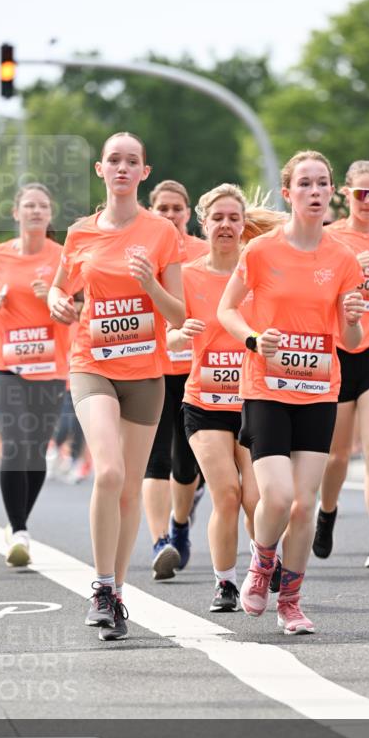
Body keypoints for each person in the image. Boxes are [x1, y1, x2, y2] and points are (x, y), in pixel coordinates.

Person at [218, 150, 365, 634]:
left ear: (331, 193)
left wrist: (351, 319)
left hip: (320, 390)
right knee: (276, 497)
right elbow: (228, 311)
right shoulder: (260, 252)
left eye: (323, 183)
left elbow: (352, 343)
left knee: (305, 503)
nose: (316, 192)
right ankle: (262, 563)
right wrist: (254, 340)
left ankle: (292, 603)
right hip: (266, 387)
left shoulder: (344, 259)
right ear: (288, 193)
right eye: (305, 184)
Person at [48, 132, 185, 640]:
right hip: (92, 364)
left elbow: (179, 312)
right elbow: (62, 288)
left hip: (146, 373)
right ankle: (101, 588)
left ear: (144, 172)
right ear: (99, 170)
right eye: (114, 161)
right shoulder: (81, 233)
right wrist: (56, 303)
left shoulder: (161, 233)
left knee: (130, 487)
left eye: (132, 161)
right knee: (108, 472)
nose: (123, 168)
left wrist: (150, 285)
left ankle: (118, 594)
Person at [167, 187, 279, 611]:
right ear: (204, 223)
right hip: (204, 401)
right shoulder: (190, 274)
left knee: (256, 498)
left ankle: (265, 564)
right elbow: (171, 333)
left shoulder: (259, 273)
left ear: (243, 224)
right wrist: (181, 335)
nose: (227, 225)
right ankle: (225, 583)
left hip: (255, 399)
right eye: (218, 218)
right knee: (227, 493)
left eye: (235, 217)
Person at [312, 160, 369, 569]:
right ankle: (327, 512)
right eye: (360, 193)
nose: (368, 201)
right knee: (335, 455)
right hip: (336, 351)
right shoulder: (329, 237)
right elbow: (311, 289)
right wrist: (351, 274)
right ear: (345, 195)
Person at [0, 184, 69, 565]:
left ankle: (18, 523)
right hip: (3, 364)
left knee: (36, 449)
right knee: (15, 439)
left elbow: (78, 306)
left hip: (50, 366)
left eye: (43, 205)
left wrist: (53, 298)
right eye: (29, 205)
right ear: (16, 213)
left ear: (49, 214)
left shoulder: (63, 257)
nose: (35, 211)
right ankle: (20, 530)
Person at [145, 180, 208, 579]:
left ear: (187, 213)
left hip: (199, 369)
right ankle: (160, 542)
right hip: (152, 366)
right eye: (162, 209)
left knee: (188, 465)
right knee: (157, 460)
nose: (170, 215)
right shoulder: (143, 251)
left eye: (176, 208)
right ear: (153, 211)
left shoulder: (203, 252)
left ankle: (180, 524)